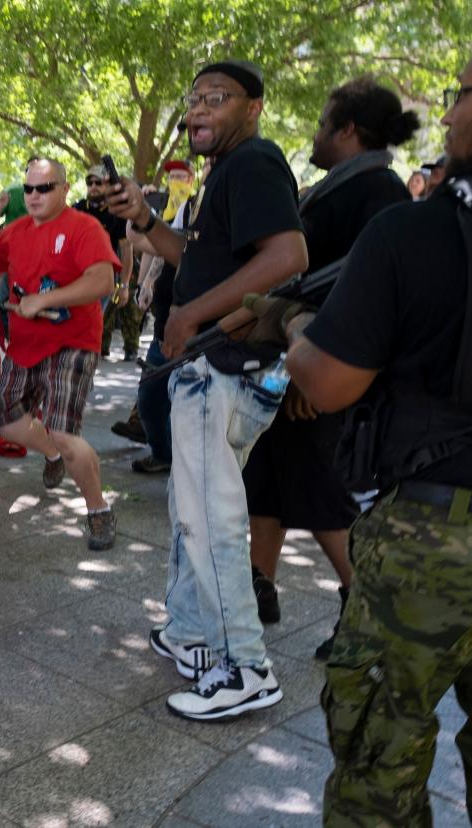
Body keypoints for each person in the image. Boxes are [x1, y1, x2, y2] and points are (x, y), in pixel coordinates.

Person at [268, 59, 472, 824]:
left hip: (430, 536)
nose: (447, 115)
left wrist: (292, 325)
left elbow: (326, 383)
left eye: (460, 95)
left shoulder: (410, 230)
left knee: (378, 765)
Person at [107, 59, 309, 721]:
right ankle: (189, 632)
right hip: (226, 369)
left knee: (210, 521)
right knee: (193, 509)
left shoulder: (253, 162)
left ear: (252, 108)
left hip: (222, 366)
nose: (198, 112)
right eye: (193, 100)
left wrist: (189, 316)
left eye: (215, 99)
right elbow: (195, 258)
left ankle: (245, 667)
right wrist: (143, 219)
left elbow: (288, 258)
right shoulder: (226, 173)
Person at [243, 77, 417, 660]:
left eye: (323, 123)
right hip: (292, 360)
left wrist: (314, 377)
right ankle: (256, 587)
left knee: (322, 496)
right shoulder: (347, 187)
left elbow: (359, 296)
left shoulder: (381, 194)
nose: (314, 133)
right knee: (265, 481)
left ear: (347, 130)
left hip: (322, 371)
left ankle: (361, 608)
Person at [0, 159, 119, 550]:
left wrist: (46, 299)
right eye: (27, 189)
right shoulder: (15, 232)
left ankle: (98, 510)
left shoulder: (85, 227)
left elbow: (102, 281)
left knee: (65, 433)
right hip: (24, 344)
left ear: (64, 189)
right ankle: (52, 455)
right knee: (10, 424)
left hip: (73, 342)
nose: (33, 196)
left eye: (44, 188)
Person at [116, 158, 198, 474]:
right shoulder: (180, 208)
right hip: (167, 320)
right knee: (149, 397)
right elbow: (146, 243)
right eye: (172, 175)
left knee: (191, 405)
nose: (176, 179)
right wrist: (141, 210)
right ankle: (163, 454)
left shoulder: (206, 206)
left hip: (203, 325)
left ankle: (188, 467)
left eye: (183, 175)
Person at [75, 165, 138, 359]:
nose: (93, 187)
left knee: (93, 323)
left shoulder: (116, 213)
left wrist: (125, 285)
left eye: (98, 183)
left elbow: (127, 249)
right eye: (89, 182)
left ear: (107, 185)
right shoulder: (76, 209)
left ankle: (85, 366)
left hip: (104, 276)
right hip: (76, 275)